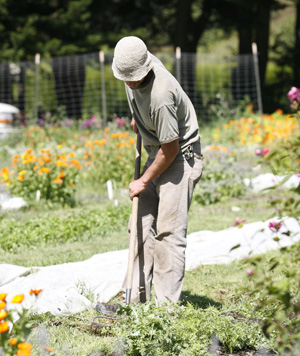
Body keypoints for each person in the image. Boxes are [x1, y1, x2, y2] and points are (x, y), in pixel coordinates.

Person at [104, 36, 203, 309]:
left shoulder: (161, 94)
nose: (130, 83)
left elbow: (170, 149)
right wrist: (140, 117)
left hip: (181, 157)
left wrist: (143, 180)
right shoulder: (131, 74)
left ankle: (165, 309)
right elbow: (139, 96)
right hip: (157, 152)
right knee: (139, 224)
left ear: (146, 67)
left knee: (168, 232)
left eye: (134, 78)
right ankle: (133, 300)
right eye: (126, 78)